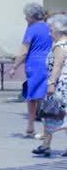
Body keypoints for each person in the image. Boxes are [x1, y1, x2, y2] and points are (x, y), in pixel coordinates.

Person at [9, 3, 53, 137]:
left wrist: (14, 66)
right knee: (46, 97)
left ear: (32, 16)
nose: (25, 18)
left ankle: (31, 128)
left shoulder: (32, 29)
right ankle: (41, 129)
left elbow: (23, 51)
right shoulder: (49, 27)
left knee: (33, 97)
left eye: (26, 16)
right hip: (49, 64)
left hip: (35, 66)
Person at [32, 14, 67, 157]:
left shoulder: (60, 45)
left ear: (59, 30)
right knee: (56, 115)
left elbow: (57, 67)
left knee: (51, 114)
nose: (49, 33)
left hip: (60, 85)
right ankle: (45, 144)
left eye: (51, 29)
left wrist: (51, 84)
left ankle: (46, 145)